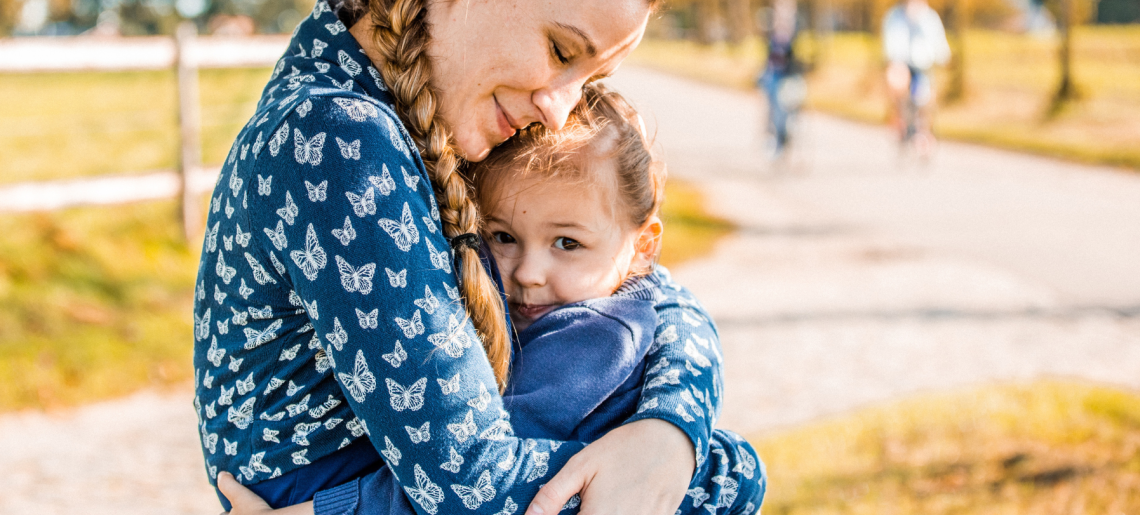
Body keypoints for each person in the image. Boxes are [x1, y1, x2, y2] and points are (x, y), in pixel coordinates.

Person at [193, 0, 738, 515]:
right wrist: (729, 473)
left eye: (587, 82)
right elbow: (472, 488)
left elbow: (645, 284)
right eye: (561, 51)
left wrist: (671, 431)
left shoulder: (437, 111)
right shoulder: (338, 134)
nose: (558, 109)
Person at [223, 86, 766, 515]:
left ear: (642, 246)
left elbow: (477, 482)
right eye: (503, 236)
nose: (528, 273)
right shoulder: (596, 302)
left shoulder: (594, 340)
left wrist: (322, 512)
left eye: (567, 243)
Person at [881, 0, 950, 157]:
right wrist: (893, 61)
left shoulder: (929, 18)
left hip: (922, 64)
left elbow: (938, 40)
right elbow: (891, 41)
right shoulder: (895, 17)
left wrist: (944, 57)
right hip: (901, 62)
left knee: (923, 98)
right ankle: (899, 120)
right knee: (897, 87)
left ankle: (923, 131)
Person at [756, 0, 806, 161]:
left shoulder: (796, 31)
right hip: (774, 75)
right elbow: (768, 57)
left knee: (793, 103)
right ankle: (773, 137)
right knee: (771, 104)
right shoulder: (771, 30)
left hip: (790, 75)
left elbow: (798, 57)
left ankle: (789, 134)